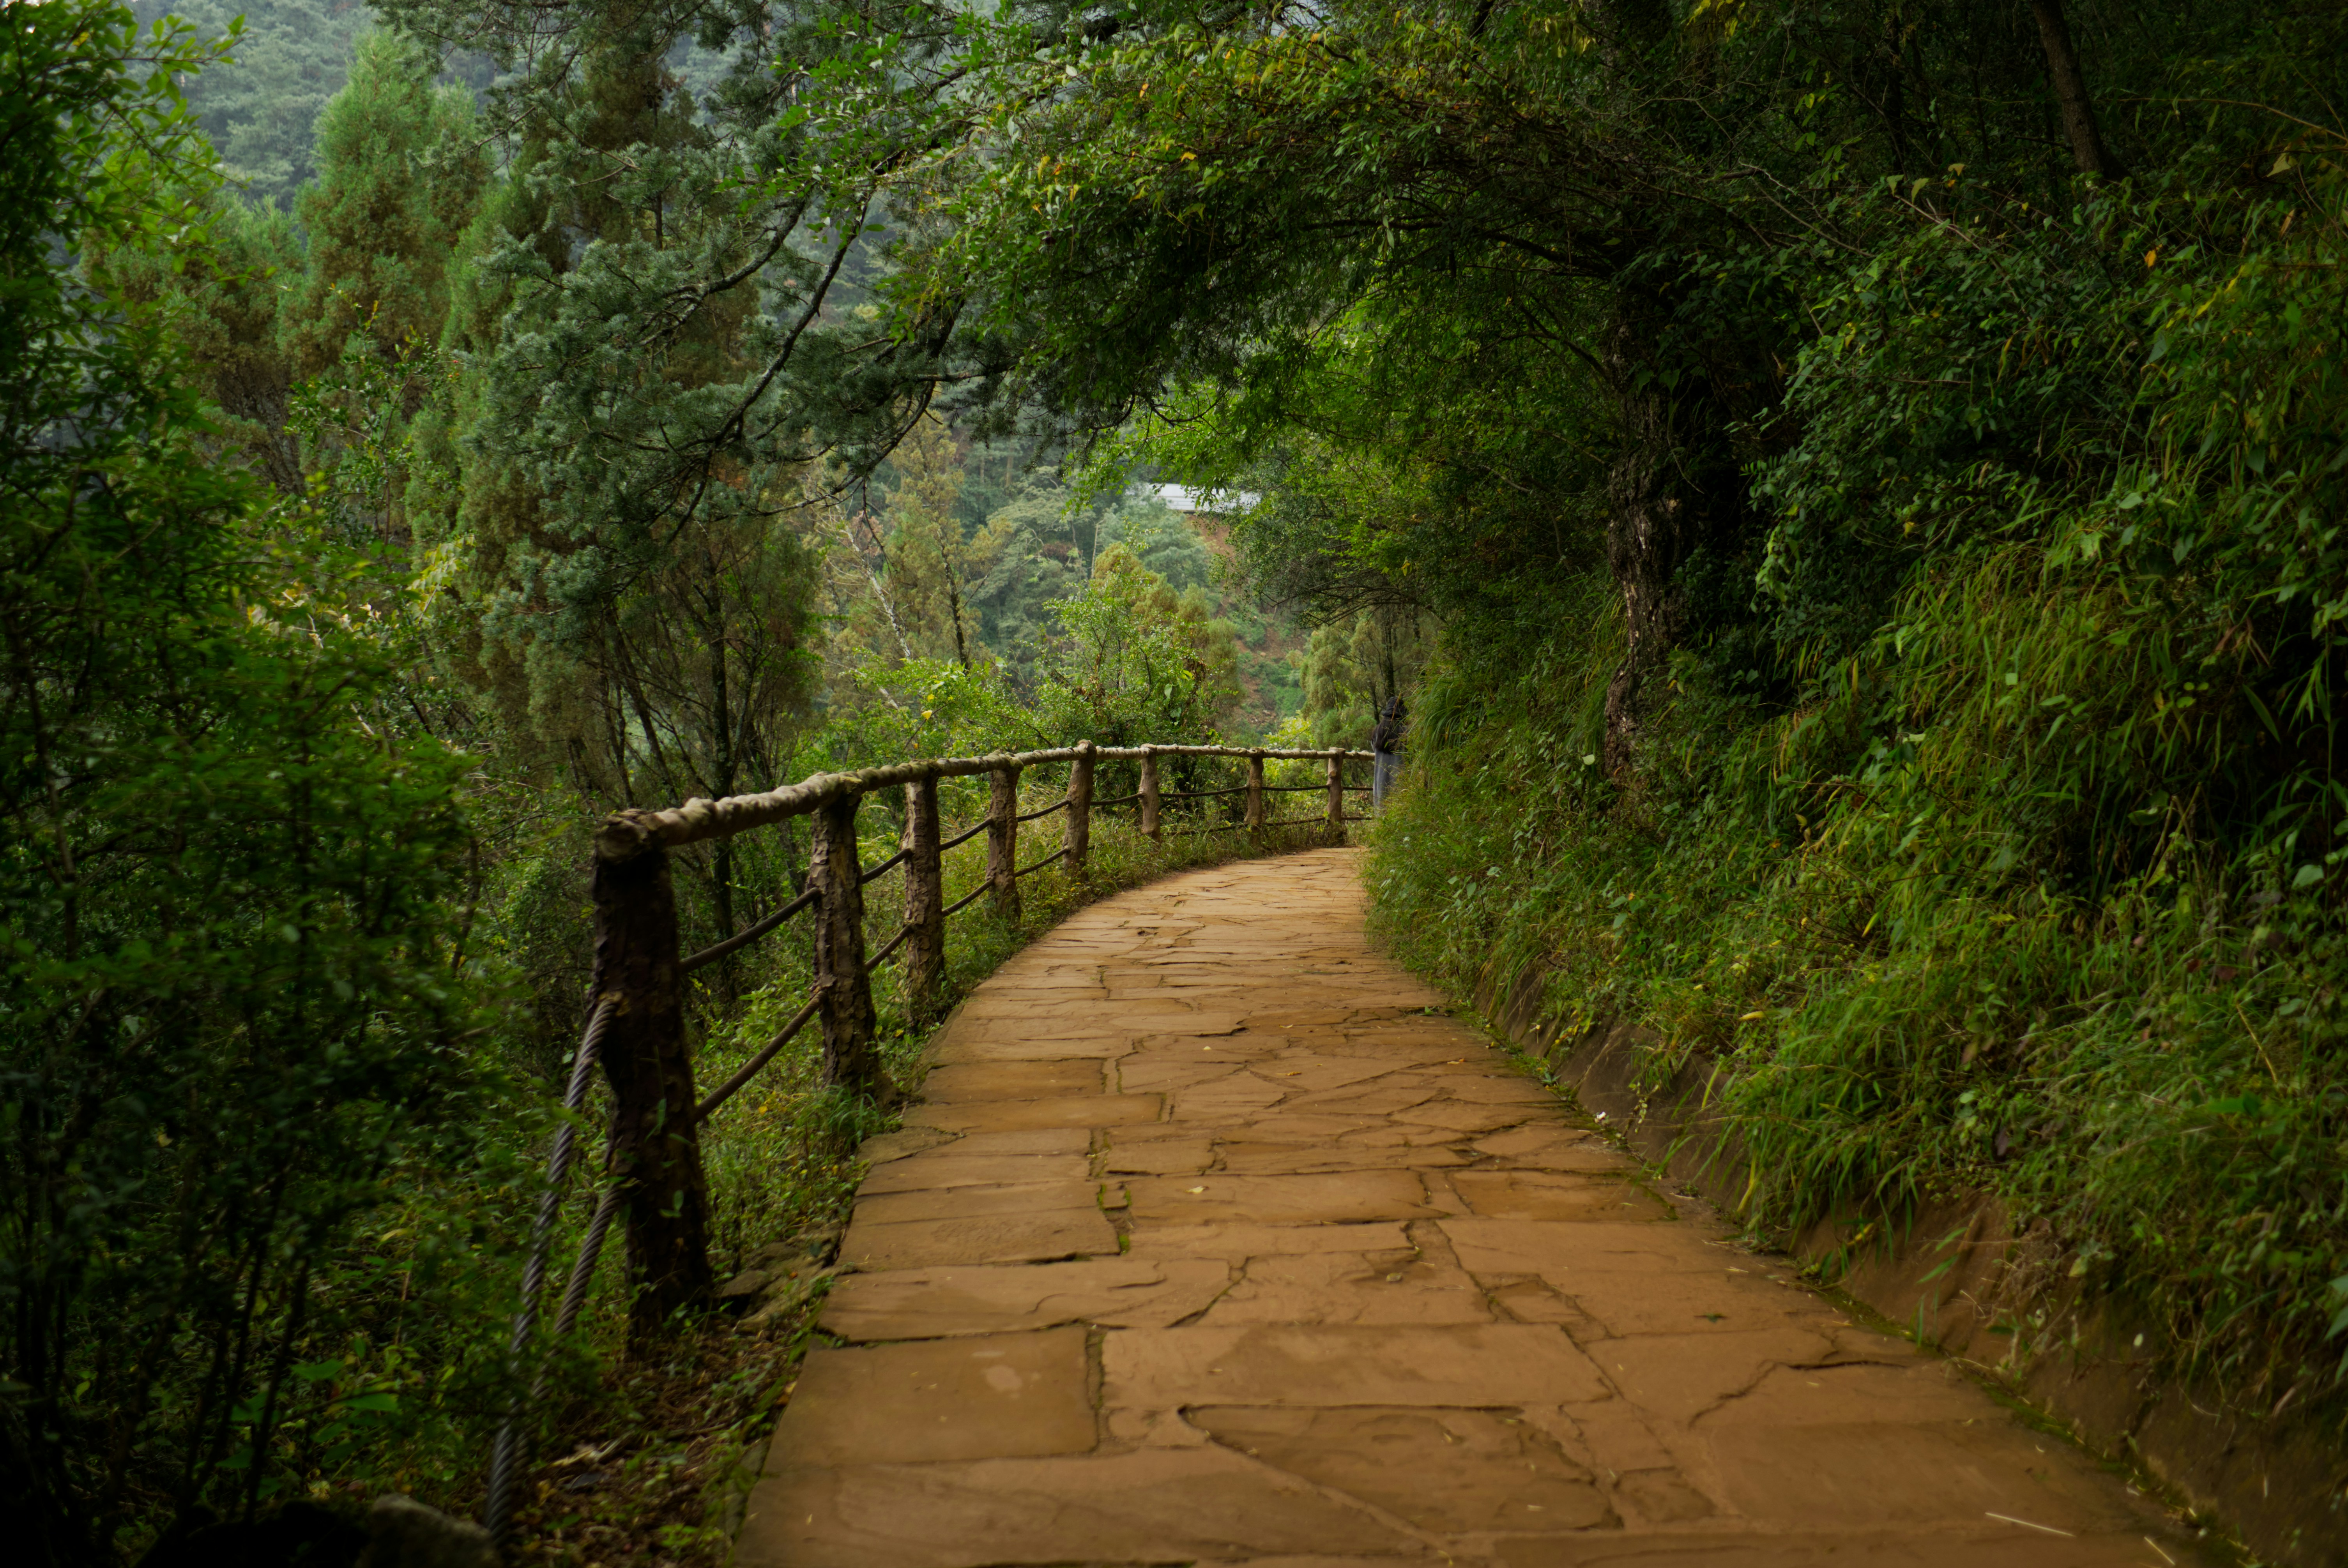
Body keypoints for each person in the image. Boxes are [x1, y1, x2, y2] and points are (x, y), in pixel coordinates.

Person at [1370, 696, 1407, 808]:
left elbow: (1374, 748)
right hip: (1401, 789)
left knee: (1382, 821)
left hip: (1380, 790)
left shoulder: (1377, 732)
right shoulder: (1406, 733)